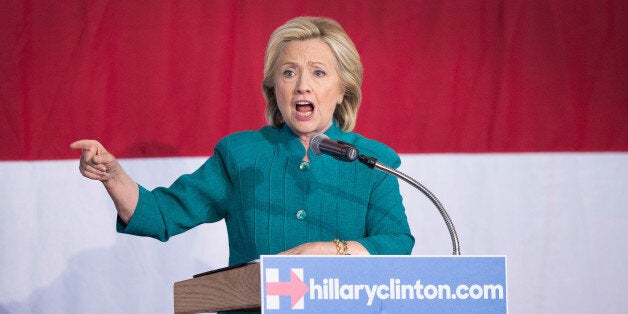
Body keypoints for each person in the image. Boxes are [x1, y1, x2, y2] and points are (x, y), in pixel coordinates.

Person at [71, 17, 414, 267]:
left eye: (319, 73)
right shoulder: (240, 155)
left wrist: (329, 250)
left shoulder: (373, 160)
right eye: (289, 72)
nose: (302, 86)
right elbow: (160, 215)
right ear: (273, 88)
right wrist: (112, 176)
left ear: (343, 90)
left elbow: (397, 244)